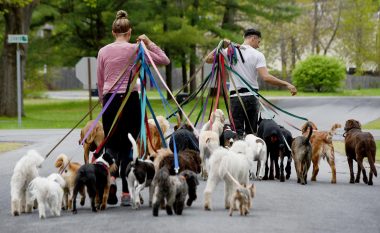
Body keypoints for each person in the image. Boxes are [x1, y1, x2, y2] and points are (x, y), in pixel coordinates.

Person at [97, 10, 170, 206]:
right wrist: (148, 42)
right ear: (129, 32)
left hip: (110, 101)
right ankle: (126, 193)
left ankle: (110, 181)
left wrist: (104, 103)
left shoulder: (103, 51)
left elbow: (100, 80)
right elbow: (164, 60)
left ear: (113, 32)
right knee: (129, 146)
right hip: (130, 101)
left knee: (111, 144)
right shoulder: (136, 49)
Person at [205, 28, 297, 138]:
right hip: (251, 98)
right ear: (253, 38)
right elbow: (266, 77)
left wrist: (221, 45)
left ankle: (239, 153)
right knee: (252, 134)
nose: (258, 46)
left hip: (236, 99)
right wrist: (286, 84)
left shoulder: (229, 52)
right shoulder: (257, 55)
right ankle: (251, 153)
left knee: (237, 133)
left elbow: (208, 59)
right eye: (258, 42)